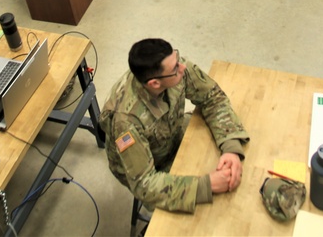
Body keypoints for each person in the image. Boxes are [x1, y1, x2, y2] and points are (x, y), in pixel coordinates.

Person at [98, 39, 249, 213]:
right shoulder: (125, 121)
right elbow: (144, 184)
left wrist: (230, 148)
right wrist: (205, 186)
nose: (182, 67)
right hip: (147, 164)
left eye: (177, 59)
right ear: (155, 83)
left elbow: (212, 96)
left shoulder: (172, 68)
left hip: (172, 132)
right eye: (175, 68)